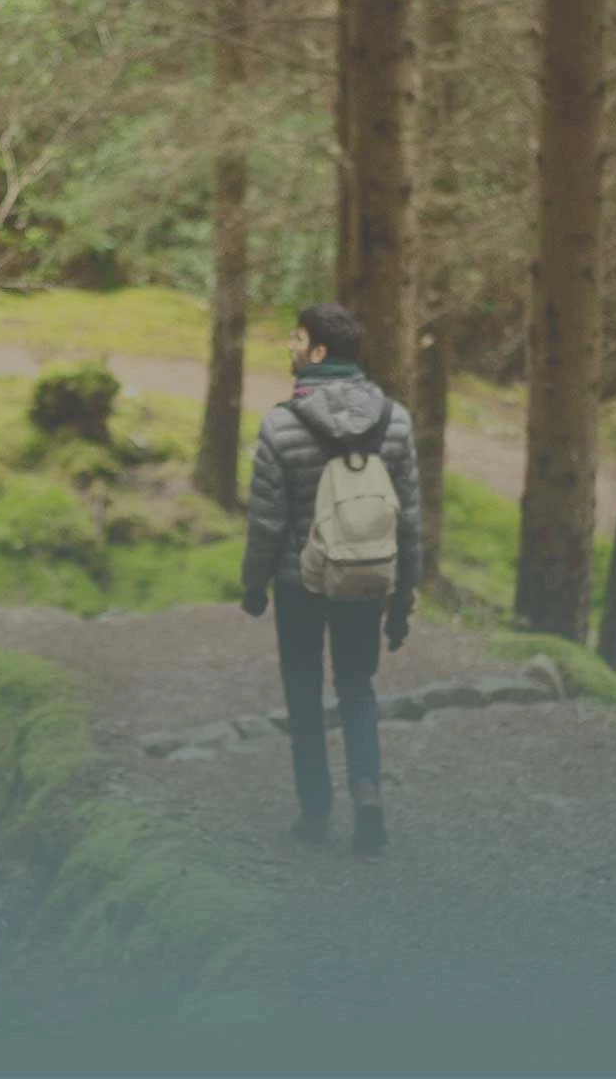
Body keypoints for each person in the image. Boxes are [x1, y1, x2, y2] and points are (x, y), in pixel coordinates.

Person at [240, 302, 421, 856]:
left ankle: (315, 813)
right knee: (357, 688)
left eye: (296, 339)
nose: (289, 348)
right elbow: (408, 515)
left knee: (303, 693)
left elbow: (267, 520)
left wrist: (254, 583)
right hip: (368, 578)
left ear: (318, 352)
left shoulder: (279, 424)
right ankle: (369, 797)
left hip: (301, 582)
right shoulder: (396, 420)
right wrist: (404, 595)